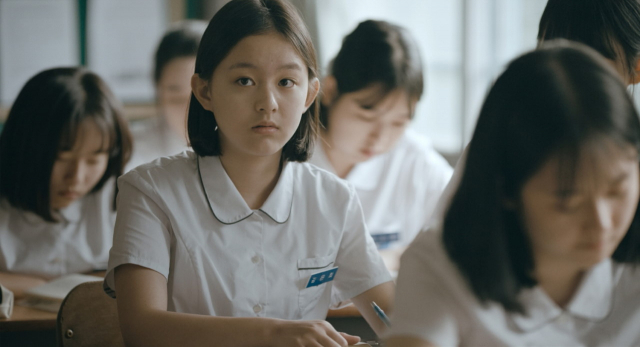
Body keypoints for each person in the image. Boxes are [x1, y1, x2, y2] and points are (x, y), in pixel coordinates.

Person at [104, 1, 394, 346]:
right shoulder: (150, 190)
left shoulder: (335, 199)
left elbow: (392, 316)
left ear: (310, 94)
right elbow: (143, 329)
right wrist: (275, 333)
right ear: (204, 91)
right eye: (244, 80)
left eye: (286, 81)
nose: (267, 102)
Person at [387, 42, 640, 346]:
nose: (601, 223)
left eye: (617, 190)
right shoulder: (442, 266)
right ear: (505, 187)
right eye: (567, 201)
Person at [430, 0, 640, 226]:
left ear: (636, 68)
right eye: (553, 52)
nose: (567, 72)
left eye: (589, 58)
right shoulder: (500, 146)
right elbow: (441, 243)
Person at [309, 20, 452, 271]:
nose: (380, 137)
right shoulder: (286, 155)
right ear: (330, 90)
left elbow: (464, 242)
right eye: (367, 115)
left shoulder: (416, 162)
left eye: (398, 123)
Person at [0, 67, 132, 296]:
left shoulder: (123, 192)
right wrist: (41, 288)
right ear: (24, 147)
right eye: (61, 158)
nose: (77, 177)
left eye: (93, 160)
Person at [127, 21, 207, 170]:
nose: (189, 111)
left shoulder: (243, 148)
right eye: (176, 99)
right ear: (158, 90)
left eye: (200, 97)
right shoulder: (131, 150)